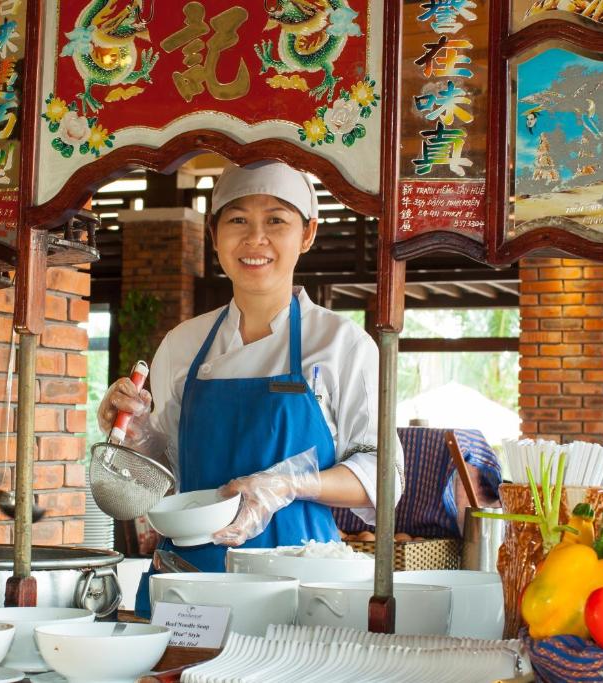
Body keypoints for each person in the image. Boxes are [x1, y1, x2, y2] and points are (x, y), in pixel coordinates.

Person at [96, 161, 403, 611]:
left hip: (302, 576)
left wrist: (288, 483)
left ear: (308, 233)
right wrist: (138, 435)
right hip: (191, 579)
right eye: (238, 220)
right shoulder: (183, 344)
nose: (255, 239)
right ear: (213, 233)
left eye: (276, 220)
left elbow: (385, 477)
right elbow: (167, 473)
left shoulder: (342, 344)